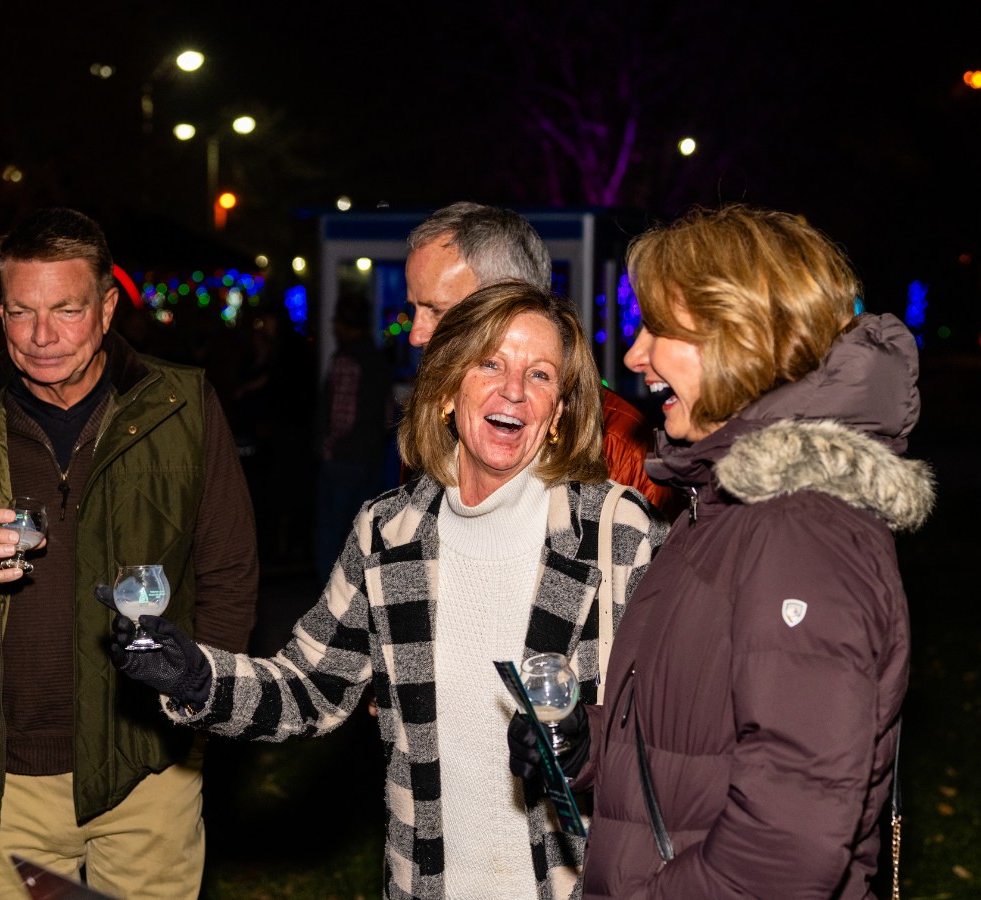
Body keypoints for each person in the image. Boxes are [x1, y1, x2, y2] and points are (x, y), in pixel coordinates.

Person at [111, 283, 668, 900]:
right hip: (424, 883)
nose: (513, 390)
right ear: (448, 389)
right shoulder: (390, 533)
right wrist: (197, 679)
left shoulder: (615, 533)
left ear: (559, 411)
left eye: (539, 374)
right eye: (490, 363)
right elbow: (310, 689)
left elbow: (676, 726)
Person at [0, 208, 259, 899]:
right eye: (21, 313)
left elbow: (228, 574)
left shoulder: (182, 405)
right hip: (1, 777)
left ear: (108, 308)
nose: (42, 336)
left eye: (67, 310)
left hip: (148, 765)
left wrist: (199, 713)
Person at [566, 206, 933, 898]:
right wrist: (594, 746)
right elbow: (709, 740)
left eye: (659, 330)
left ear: (739, 339)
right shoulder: (725, 505)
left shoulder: (799, 530)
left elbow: (785, 851)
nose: (636, 356)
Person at [404, 202, 679, 517]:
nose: (416, 334)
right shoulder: (433, 418)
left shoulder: (624, 450)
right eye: (414, 308)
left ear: (512, 296)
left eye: (437, 310)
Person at [314, 291, 393, 584]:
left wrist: (328, 448)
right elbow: (388, 413)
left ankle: (331, 601)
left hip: (344, 461)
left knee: (330, 533)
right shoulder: (377, 358)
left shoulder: (347, 359)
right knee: (361, 535)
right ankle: (356, 599)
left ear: (342, 324)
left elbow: (341, 416)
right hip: (371, 459)